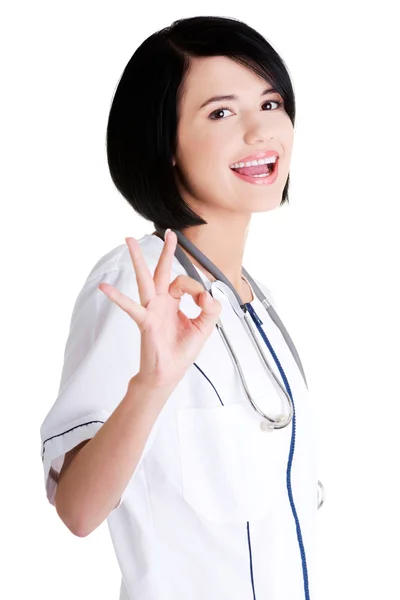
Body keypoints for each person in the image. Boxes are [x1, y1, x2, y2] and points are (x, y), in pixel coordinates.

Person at [39, 15, 320, 600]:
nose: (259, 131)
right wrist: (151, 384)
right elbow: (79, 510)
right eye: (221, 112)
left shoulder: (249, 301)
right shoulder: (142, 281)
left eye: (271, 103)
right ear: (164, 142)